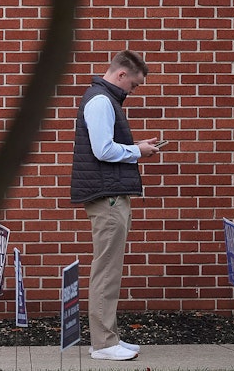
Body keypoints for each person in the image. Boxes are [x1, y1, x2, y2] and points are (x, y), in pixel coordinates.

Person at [70, 50, 161, 361]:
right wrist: (138, 150)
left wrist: (136, 148)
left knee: (109, 268)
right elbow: (103, 150)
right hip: (106, 194)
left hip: (108, 192)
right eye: (133, 86)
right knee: (107, 270)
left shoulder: (103, 99)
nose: (132, 92)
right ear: (121, 74)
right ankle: (105, 343)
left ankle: (108, 338)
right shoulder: (100, 101)